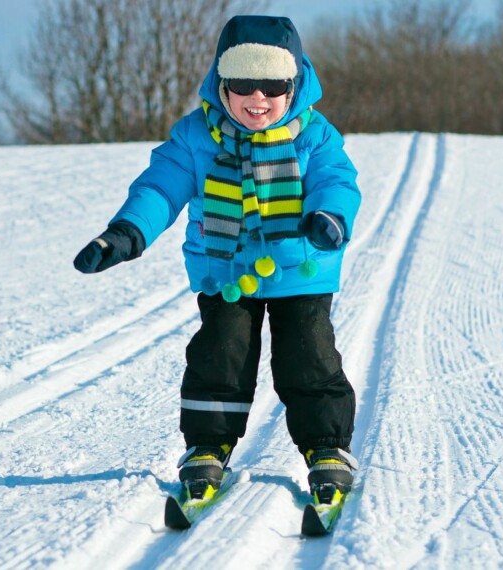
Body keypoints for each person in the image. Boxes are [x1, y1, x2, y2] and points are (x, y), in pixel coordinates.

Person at [73, 15, 360, 505]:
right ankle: (208, 446)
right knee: (220, 353)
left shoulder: (313, 134)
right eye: (243, 84)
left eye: (272, 85)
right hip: (224, 270)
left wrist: (328, 216)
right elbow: (161, 188)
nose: (258, 99)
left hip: (300, 266)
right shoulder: (195, 136)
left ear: (293, 85)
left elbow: (337, 180)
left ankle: (327, 448)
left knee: (308, 355)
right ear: (221, 84)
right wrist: (125, 233)